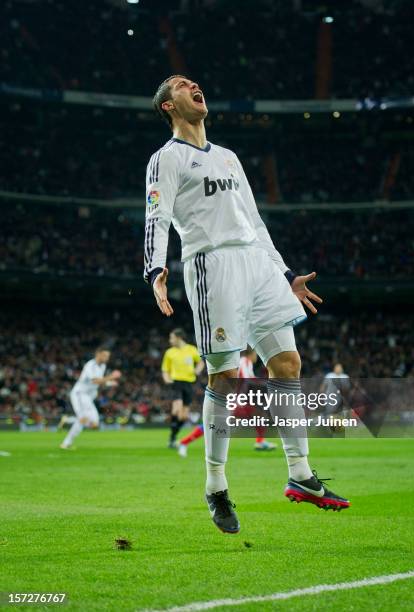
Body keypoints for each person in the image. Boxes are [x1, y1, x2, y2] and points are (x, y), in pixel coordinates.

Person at [144, 75, 350, 534]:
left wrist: (283, 274)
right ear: (168, 106)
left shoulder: (229, 157)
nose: (195, 84)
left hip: (257, 265)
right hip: (212, 266)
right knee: (224, 376)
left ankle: (300, 475)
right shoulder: (167, 159)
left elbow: (255, 222)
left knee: (288, 362)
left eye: (195, 81)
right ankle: (216, 486)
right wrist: (154, 269)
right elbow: (156, 216)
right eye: (182, 84)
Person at [177, 347, 276, 457]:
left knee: (259, 415)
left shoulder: (243, 361)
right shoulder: (245, 361)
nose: (256, 357)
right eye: (256, 355)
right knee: (213, 423)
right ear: (251, 354)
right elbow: (247, 378)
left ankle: (260, 442)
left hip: (235, 398)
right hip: (233, 399)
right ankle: (184, 442)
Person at [60, 347, 121, 449]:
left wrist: (109, 383)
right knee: (82, 419)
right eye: (105, 356)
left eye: (108, 356)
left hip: (88, 397)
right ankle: (66, 443)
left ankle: (68, 420)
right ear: (98, 354)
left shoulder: (102, 366)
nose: (107, 358)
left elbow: (100, 381)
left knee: (95, 424)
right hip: (80, 394)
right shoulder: (90, 365)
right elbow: (95, 381)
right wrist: (111, 377)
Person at [161, 328, 204, 448]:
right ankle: (172, 437)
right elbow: (165, 369)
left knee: (183, 416)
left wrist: (197, 370)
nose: (170, 340)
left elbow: (201, 362)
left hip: (189, 384)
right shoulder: (169, 352)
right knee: (177, 409)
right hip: (176, 383)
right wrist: (166, 378)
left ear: (179, 338)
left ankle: (172, 437)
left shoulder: (191, 349)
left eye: (172, 337)